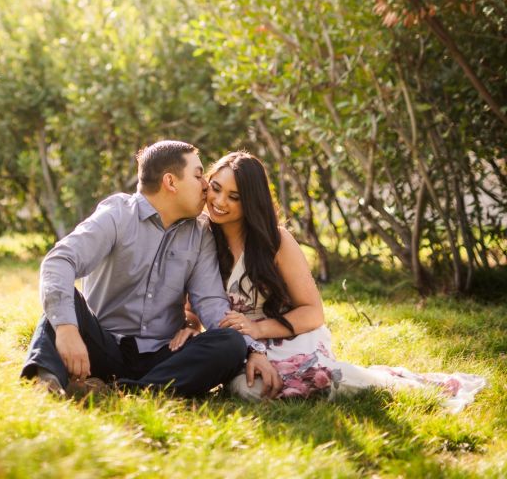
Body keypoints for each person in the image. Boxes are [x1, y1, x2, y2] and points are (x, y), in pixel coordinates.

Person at [170, 151, 486, 412]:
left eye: (234, 196)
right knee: (246, 389)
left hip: (288, 334)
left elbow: (312, 312)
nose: (219, 201)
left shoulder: (274, 241)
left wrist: (257, 329)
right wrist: (188, 324)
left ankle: (408, 386)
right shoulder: (198, 235)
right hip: (239, 345)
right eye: (215, 187)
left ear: (251, 202)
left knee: (318, 377)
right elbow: (197, 306)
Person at [21, 140, 282, 398]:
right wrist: (67, 329)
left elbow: (211, 304)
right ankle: (45, 382)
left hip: (164, 355)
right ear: (170, 182)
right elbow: (59, 261)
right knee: (61, 309)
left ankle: (129, 390)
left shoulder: (200, 233)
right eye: (199, 175)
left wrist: (253, 350)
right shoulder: (118, 215)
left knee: (229, 344)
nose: (206, 186)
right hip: (104, 346)